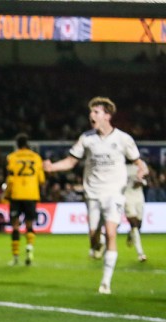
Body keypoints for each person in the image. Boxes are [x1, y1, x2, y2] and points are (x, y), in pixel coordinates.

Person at [44, 96, 148, 294]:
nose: (91, 115)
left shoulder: (123, 139)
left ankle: (106, 282)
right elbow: (71, 161)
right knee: (94, 237)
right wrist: (52, 167)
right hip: (92, 194)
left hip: (114, 193)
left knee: (111, 233)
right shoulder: (87, 138)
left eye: (96, 112)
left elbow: (139, 162)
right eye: (91, 112)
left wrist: (142, 170)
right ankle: (95, 243)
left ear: (107, 115)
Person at [2, 134, 45, 266]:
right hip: (31, 194)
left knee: (15, 226)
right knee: (29, 225)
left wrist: (6, 194)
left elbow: (10, 178)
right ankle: (30, 249)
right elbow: (41, 179)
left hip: (16, 194)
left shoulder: (12, 157)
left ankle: (15, 258)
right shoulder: (37, 158)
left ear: (17, 144)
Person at [124, 162, 148, 262]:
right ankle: (140, 253)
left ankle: (131, 233)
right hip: (127, 197)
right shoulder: (120, 166)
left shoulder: (141, 164)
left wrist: (142, 182)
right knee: (134, 224)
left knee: (138, 225)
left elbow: (146, 179)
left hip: (139, 198)